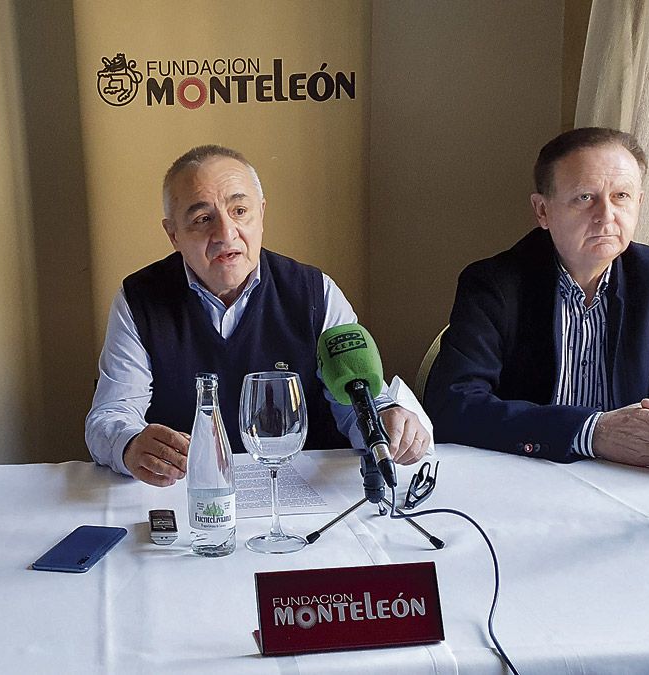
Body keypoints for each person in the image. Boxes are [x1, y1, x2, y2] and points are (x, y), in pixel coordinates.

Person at [85, 144, 430, 487]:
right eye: (203, 219)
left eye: (239, 211)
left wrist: (387, 421)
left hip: (304, 496)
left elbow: (358, 402)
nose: (225, 233)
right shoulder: (139, 298)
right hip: (192, 497)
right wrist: (130, 445)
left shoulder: (315, 293)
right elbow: (110, 414)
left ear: (261, 214)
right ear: (173, 234)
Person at [424, 127, 649, 472]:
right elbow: (451, 405)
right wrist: (592, 431)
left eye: (621, 196)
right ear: (542, 211)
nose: (606, 215)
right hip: (528, 476)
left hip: (634, 479)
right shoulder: (494, 284)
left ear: (639, 203)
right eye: (584, 197)